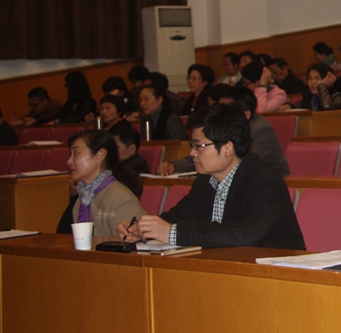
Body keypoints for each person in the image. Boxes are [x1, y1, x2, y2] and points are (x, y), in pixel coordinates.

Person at [116, 104, 305, 250]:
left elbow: (247, 233)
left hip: (274, 275)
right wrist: (141, 228)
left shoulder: (264, 178)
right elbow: (175, 218)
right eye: (192, 145)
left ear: (227, 149)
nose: (192, 153)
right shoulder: (205, 181)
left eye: (199, 146)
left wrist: (172, 233)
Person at [158, 87, 290, 177]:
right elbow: (205, 153)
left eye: (226, 110)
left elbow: (242, 165)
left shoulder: (261, 130)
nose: (219, 114)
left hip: (267, 186)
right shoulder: (225, 130)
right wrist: (174, 165)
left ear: (246, 115)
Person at [67, 130, 145, 238]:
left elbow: (131, 244)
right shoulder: (81, 200)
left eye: (76, 153)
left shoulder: (121, 199)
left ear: (99, 155)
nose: (69, 161)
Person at [295, 63, 341, 134]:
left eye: (317, 78)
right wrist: (289, 105)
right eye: (310, 78)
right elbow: (298, 106)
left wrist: (322, 86)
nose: (312, 82)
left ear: (329, 79)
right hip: (318, 133)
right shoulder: (311, 96)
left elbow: (327, 108)